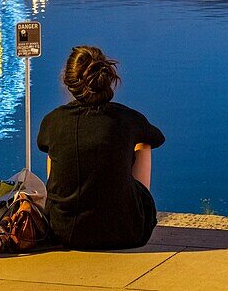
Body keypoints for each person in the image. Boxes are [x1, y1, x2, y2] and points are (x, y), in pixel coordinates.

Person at [38, 46, 165, 250]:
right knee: (143, 143)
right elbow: (156, 138)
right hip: (127, 232)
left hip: (63, 232)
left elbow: (43, 143)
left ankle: (63, 202)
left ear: (68, 80)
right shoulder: (127, 119)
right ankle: (136, 206)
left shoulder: (53, 121)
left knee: (53, 147)